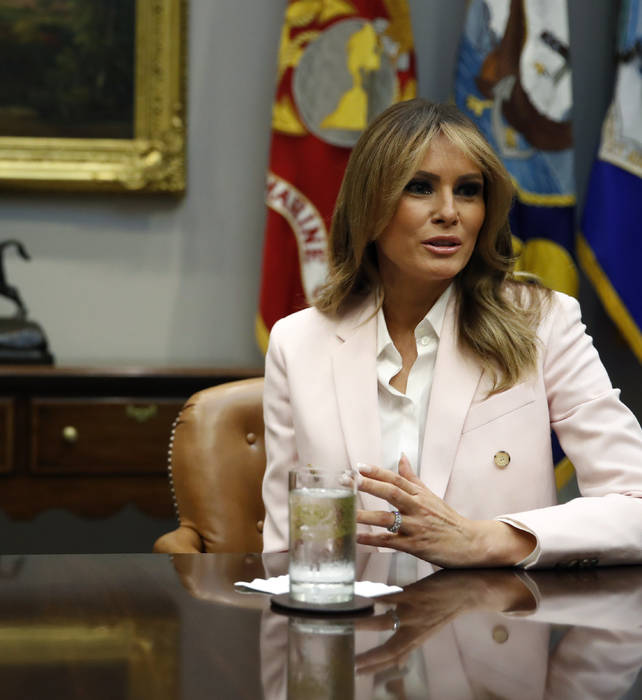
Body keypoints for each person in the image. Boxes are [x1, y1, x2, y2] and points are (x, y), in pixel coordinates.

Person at [261, 98, 642, 568]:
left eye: (468, 191)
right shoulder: (297, 343)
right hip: (351, 633)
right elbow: (284, 551)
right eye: (419, 188)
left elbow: (636, 505)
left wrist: (483, 540)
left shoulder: (543, 321)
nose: (449, 212)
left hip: (493, 624)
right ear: (370, 203)